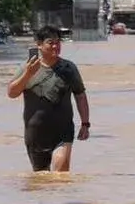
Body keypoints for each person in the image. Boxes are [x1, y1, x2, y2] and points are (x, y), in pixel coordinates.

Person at [6, 25, 91, 172]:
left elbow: (80, 96)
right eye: (50, 42)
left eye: (58, 42)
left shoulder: (68, 68)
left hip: (63, 131)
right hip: (36, 134)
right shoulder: (27, 67)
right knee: (41, 180)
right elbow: (12, 93)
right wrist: (28, 74)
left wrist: (85, 123)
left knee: (61, 173)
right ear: (39, 45)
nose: (55, 46)